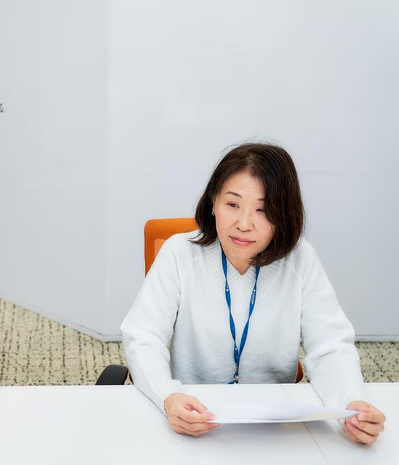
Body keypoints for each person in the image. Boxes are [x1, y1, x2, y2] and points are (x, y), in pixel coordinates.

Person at [121, 143, 385, 444]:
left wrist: (351, 404)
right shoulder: (179, 254)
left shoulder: (300, 259)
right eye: (232, 205)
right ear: (213, 202)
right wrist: (168, 396)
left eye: (263, 210)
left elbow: (330, 347)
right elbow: (143, 337)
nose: (243, 225)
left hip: (273, 427)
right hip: (195, 416)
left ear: (283, 215)